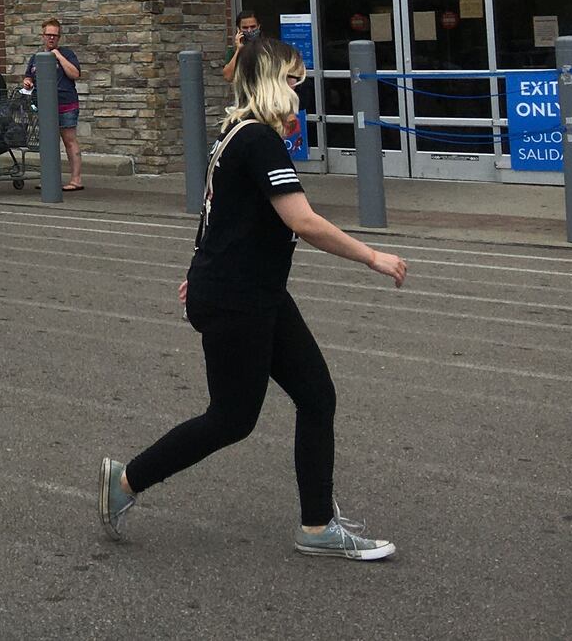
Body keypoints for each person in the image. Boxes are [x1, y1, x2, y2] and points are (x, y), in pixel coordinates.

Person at [97, 38, 408, 560]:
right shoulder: (257, 140)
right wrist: (372, 257)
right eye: (292, 80)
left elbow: (220, 216)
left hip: (251, 292)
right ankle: (125, 482)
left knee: (316, 396)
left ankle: (316, 526)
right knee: (231, 419)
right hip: (241, 299)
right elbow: (302, 221)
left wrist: (199, 274)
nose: (297, 91)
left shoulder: (236, 136)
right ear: (269, 82)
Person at [20, 18, 83, 191]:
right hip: (45, 106)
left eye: (55, 35)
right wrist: (27, 82)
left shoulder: (67, 54)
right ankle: (50, 177)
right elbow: (28, 77)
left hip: (65, 103)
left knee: (69, 140)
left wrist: (58, 56)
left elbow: (75, 74)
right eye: (48, 35)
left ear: (59, 37)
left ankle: (76, 180)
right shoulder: (35, 58)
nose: (51, 38)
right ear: (42, 36)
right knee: (48, 142)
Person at [220, 9, 261, 83]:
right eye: (245, 28)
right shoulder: (233, 50)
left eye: (253, 27)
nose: (249, 31)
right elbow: (228, 77)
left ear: (258, 26)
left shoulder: (267, 47)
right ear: (238, 29)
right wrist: (239, 50)